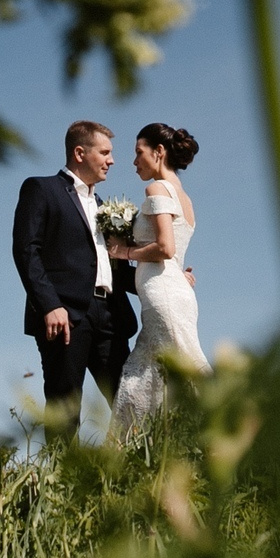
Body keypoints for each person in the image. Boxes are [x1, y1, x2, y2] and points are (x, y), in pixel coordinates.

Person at [10, 120, 136, 424]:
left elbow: (114, 268)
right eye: (104, 152)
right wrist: (50, 304)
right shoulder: (41, 189)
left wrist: (168, 277)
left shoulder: (104, 206)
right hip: (64, 315)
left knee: (130, 402)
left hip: (111, 315)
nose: (112, 160)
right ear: (80, 153)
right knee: (65, 409)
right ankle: (61, 471)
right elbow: (27, 250)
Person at [109, 122, 206, 432]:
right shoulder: (185, 198)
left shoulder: (157, 189)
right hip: (175, 290)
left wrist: (122, 252)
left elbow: (165, 247)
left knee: (181, 363)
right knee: (150, 371)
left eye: (139, 153)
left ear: (159, 152)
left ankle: (215, 426)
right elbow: (174, 253)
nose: (135, 161)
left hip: (163, 293)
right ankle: (151, 441)